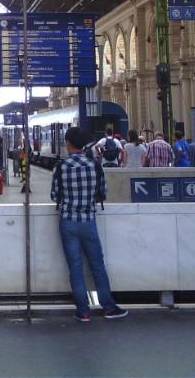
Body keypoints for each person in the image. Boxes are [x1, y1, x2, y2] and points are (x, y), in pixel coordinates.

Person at [50, 126, 128, 323]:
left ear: (68, 144)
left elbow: (54, 195)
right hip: (89, 221)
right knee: (97, 265)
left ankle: (83, 311)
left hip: (68, 222)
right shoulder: (95, 165)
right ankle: (108, 307)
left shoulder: (60, 167)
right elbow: (103, 193)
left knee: (75, 267)